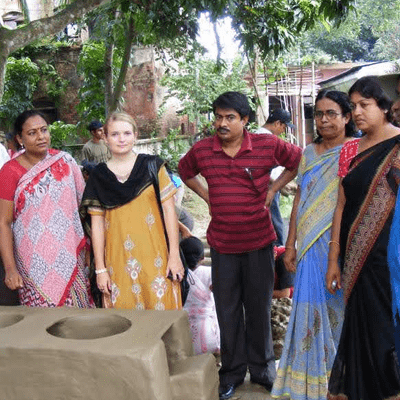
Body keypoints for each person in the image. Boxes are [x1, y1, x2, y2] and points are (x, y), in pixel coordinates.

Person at [178, 92, 302, 400]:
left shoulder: (266, 145)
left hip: (259, 243)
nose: (222, 123)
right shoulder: (203, 150)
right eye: (218, 117)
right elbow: (184, 171)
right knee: (228, 310)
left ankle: (262, 371)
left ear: (245, 120)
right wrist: (206, 195)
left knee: (259, 309)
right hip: (223, 246)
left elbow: (297, 160)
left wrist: (274, 188)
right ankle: (232, 373)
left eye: (230, 117)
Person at [272, 90, 357, 399]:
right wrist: (290, 243)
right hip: (308, 244)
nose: (323, 120)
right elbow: (300, 198)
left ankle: (337, 380)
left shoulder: (356, 149)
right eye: (319, 114)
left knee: (337, 307)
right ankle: (307, 381)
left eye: (331, 113)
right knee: (307, 306)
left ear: (346, 117)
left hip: (338, 243)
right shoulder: (308, 152)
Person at [326, 76, 400, 399]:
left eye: (364, 105)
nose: (356, 112)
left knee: (386, 332)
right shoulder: (350, 150)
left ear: (383, 106)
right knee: (359, 328)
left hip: (389, 262)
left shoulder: (398, 147)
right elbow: (341, 205)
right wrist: (333, 259)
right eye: (353, 105)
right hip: (354, 258)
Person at [80, 112, 184, 310]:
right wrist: (100, 269)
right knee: (125, 321)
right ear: (105, 137)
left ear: (135, 136)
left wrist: (174, 256)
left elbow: (169, 212)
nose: (121, 139)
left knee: (162, 319)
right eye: (115, 134)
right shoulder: (99, 177)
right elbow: (97, 225)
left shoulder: (153, 166)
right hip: (117, 261)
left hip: (157, 258)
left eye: (127, 133)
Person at [0, 110, 94, 307]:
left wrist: (89, 250)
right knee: (41, 320)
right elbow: (4, 222)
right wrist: (10, 269)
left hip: (71, 256)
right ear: (20, 139)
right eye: (32, 133)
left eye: (44, 130)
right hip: (33, 262)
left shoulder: (66, 162)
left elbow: (84, 209)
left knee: (78, 319)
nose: (41, 136)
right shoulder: (9, 171)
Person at [257, 108, 296, 245]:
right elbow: (258, 169)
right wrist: (276, 185)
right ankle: (278, 249)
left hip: (271, 185)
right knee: (274, 221)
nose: (283, 131)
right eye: (284, 127)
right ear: (278, 123)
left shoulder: (257, 135)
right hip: (268, 187)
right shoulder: (266, 138)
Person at [181, 236, 220, 355]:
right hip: (209, 338)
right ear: (202, 258)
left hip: (183, 338)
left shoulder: (178, 275)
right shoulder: (209, 272)